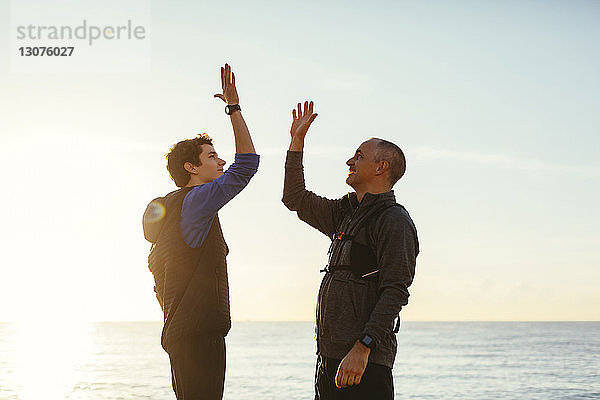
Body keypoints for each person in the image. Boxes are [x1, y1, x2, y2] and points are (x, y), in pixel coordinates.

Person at [282, 101, 419, 400]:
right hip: (328, 360)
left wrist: (363, 347)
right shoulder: (345, 212)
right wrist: (296, 144)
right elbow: (294, 198)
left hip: (364, 364)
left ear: (381, 167)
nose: (349, 161)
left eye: (359, 156)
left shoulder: (394, 221)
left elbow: (395, 291)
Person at [142, 64, 258, 400]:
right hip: (198, 334)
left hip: (180, 333)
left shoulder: (175, 210)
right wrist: (234, 108)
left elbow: (158, 286)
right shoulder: (197, 201)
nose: (220, 162)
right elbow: (247, 165)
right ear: (191, 168)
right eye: (212, 156)